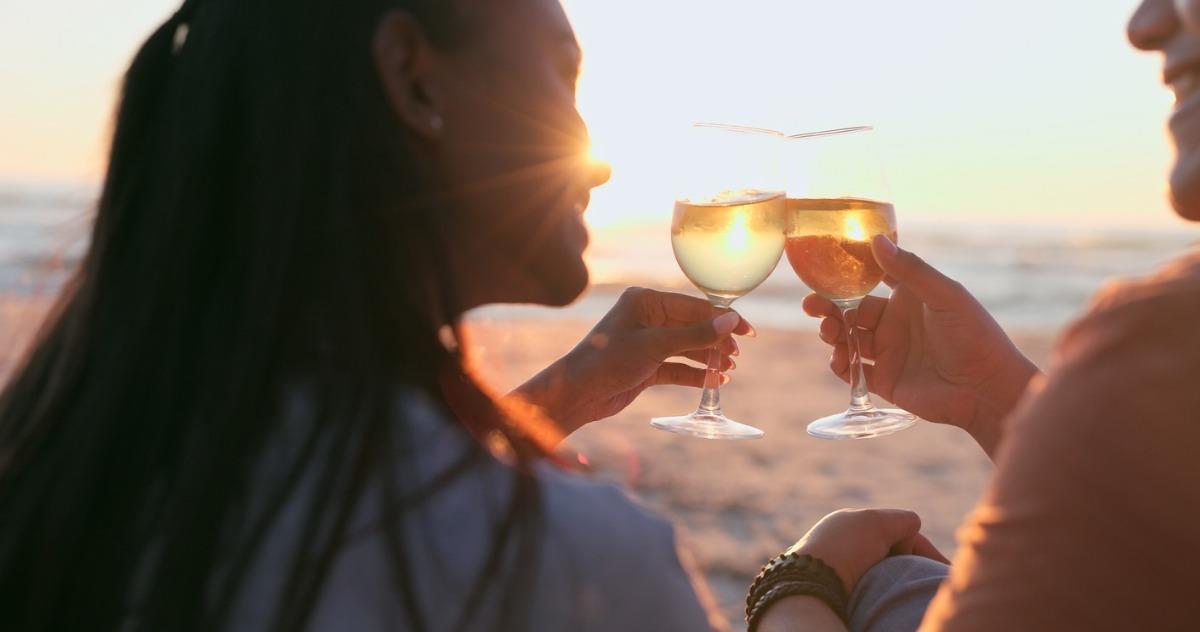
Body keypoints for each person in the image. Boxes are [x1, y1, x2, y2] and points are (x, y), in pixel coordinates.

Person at [0, 0, 948, 630]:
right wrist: (806, 582)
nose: (599, 158)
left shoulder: (75, 460)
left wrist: (562, 396)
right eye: (561, 78)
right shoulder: (569, 567)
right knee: (902, 593)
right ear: (415, 77)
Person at [757, 0, 1200, 629]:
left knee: (885, 584)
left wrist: (797, 580)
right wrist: (991, 394)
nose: (1144, 24)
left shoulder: (1164, 343)